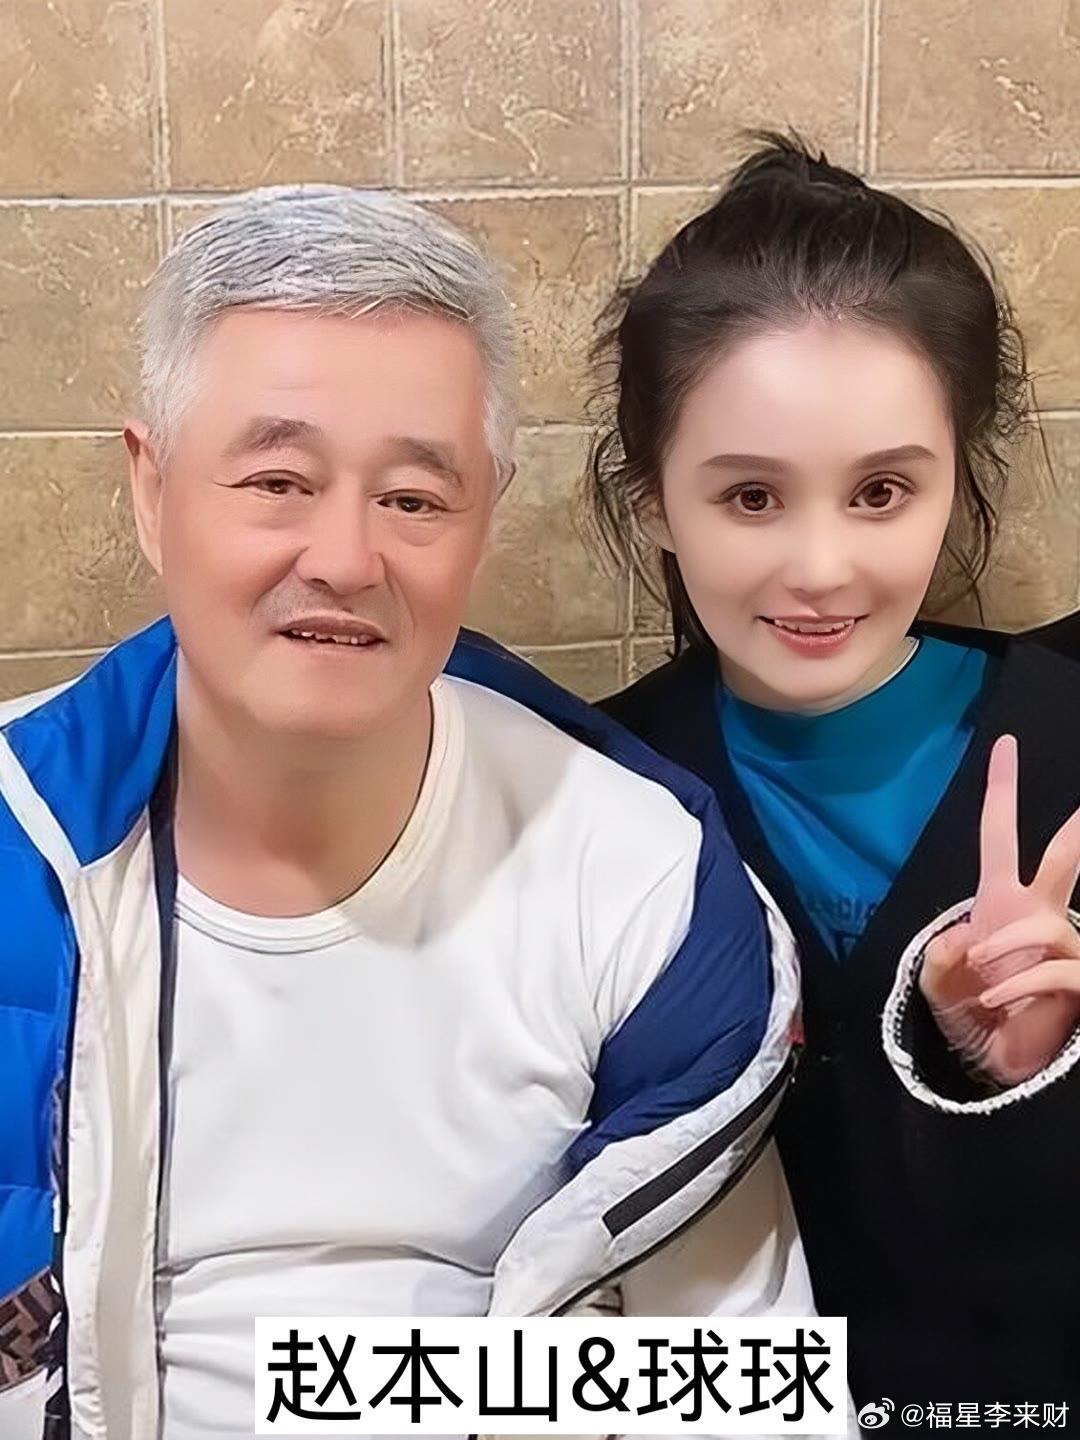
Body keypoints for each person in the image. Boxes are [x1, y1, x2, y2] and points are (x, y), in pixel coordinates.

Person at [0, 186, 812, 1440]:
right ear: (152, 490)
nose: (344, 558)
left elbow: (740, 1383)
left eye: (415, 501)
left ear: (485, 514)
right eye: (278, 480)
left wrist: (379, 1390)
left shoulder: (636, 876)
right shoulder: (20, 847)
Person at [592, 136, 1080, 1424]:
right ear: (653, 500)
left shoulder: (1066, 744)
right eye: (752, 498)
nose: (820, 569)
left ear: (956, 480)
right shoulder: (590, 796)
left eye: (880, 493)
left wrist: (1015, 1076)